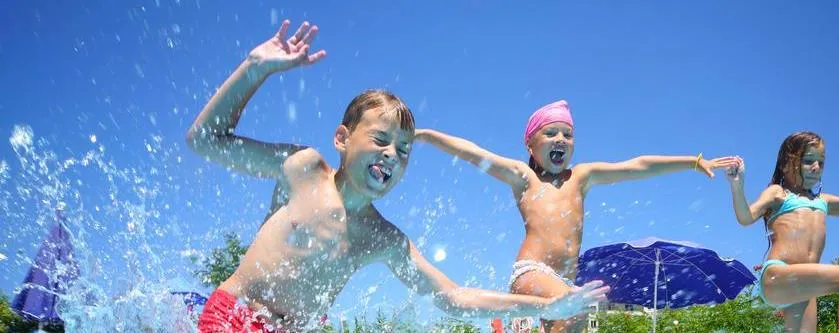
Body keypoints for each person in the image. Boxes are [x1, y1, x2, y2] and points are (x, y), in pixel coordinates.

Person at [185, 20, 609, 332]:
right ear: (342, 138)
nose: (392, 155)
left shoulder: (384, 238)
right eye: (381, 140)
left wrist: (542, 308)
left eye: (404, 150)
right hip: (234, 316)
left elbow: (453, 298)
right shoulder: (303, 169)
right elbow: (205, 140)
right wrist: (253, 70)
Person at [415, 100, 739, 332]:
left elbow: (637, 166)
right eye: (551, 133)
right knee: (576, 306)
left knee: (583, 319)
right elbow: (474, 153)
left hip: (566, 281)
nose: (561, 140)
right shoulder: (524, 178)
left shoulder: (581, 177)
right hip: (531, 272)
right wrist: (428, 136)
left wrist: (693, 162)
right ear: (530, 144)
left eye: (567, 135)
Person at [725, 131, 839, 332]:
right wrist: (737, 186)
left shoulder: (823, 201)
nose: (816, 167)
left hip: (804, 285)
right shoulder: (778, 193)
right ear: (785, 164)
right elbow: (746, 217)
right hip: (778, 276)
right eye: (808, 161)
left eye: (821, 163)